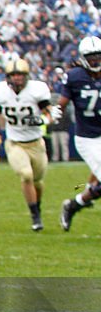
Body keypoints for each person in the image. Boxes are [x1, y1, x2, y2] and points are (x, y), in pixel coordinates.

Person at [0, 57, 54, 231]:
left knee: (38, 181)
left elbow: (51, 114)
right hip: (15, 143)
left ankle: (36, 206)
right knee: (26, 175)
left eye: (20, 74)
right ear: (8, 76)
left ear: (27, 76)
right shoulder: (0, 92)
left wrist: (40, 120)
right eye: (14, 75)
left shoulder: (36, 90)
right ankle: (35, 216)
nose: (17, 78)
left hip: (36, 143)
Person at [58, 37, 101, 231]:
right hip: (88, 138)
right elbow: (61, 104)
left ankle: (74, 204)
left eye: (98, 56)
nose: (95, 60)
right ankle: (76, 203)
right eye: (91, 57)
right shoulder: (75, 76)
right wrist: (50, 115)